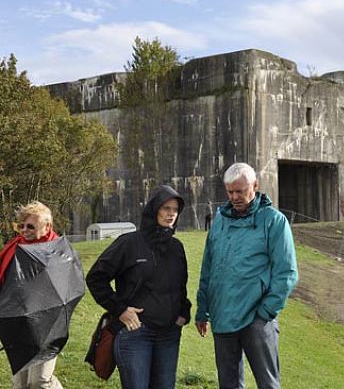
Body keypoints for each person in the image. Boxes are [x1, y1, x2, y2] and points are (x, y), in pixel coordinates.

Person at [195, 163, 298, 389]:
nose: (234, 197)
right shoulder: (220, 220)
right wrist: (202, 308)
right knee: (228, 385)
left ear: (255, 186)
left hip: (256, 319)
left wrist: (264, 313)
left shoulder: (274, 221)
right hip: (222, 317)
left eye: (240, 191)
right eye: (230, 192)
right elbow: (208, 267)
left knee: (268, 384)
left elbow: (287, 273)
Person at [86, 185, 191, 389]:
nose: (171, 214)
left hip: (169, 335)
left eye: (175, 210)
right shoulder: (129, 243)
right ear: (154, 210)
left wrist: (183, 312)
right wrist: (120, 309)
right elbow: (96, 277)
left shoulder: (176, 247)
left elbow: (180, 286)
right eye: (166, 208)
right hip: (136, 333)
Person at [0, 201, 63, 389]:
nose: (24, 230)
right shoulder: (14, 247)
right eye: (22, 225)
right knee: (20, 384)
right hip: (17, 322)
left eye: (31, 226)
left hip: (47, 323)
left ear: (47, 226)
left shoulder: (57, 251)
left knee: (40, 381)